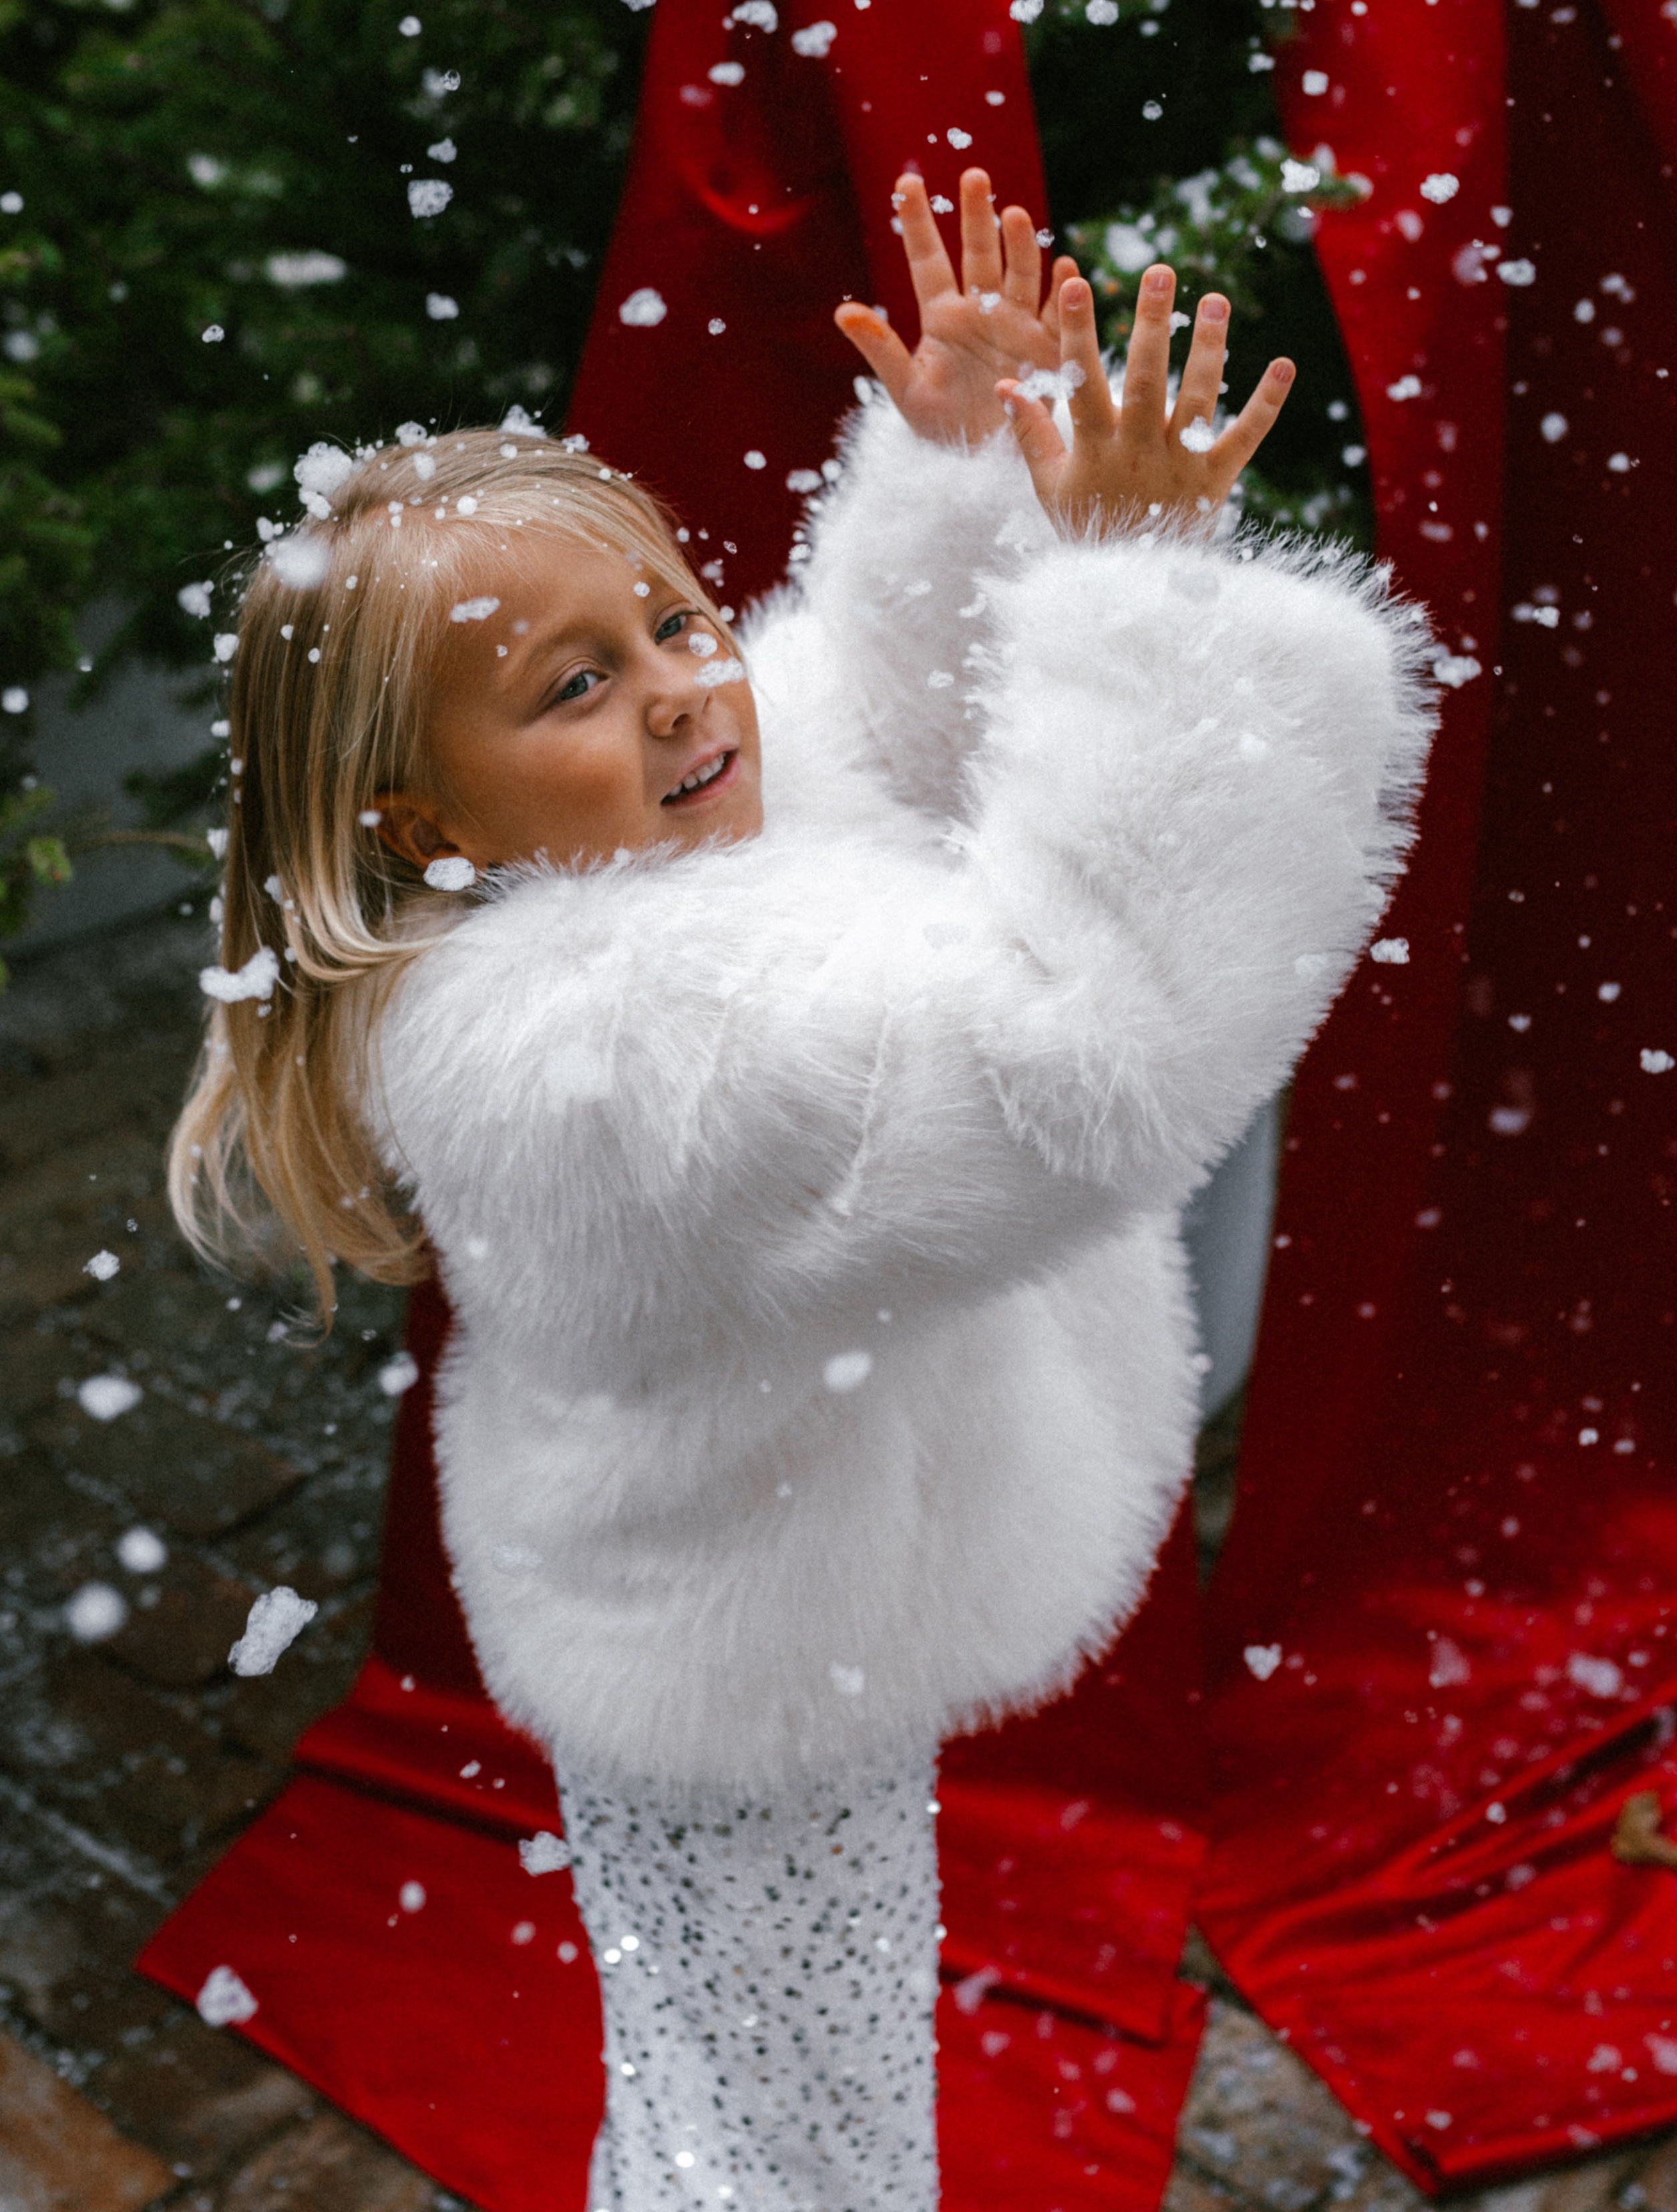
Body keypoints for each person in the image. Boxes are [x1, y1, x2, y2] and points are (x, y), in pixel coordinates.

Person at [170, 168, 1435, 2212]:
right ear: (424, 816)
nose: (681, 684)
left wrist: (951, 472)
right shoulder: (620, 1046)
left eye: (668, 614)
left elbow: (851, 712)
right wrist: (1132, 597)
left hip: (755, 1627)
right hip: (744, 1702)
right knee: (795, 2146)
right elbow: (1078, 1053)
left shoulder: (614, 879)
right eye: (574, 686)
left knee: (732, 2081)